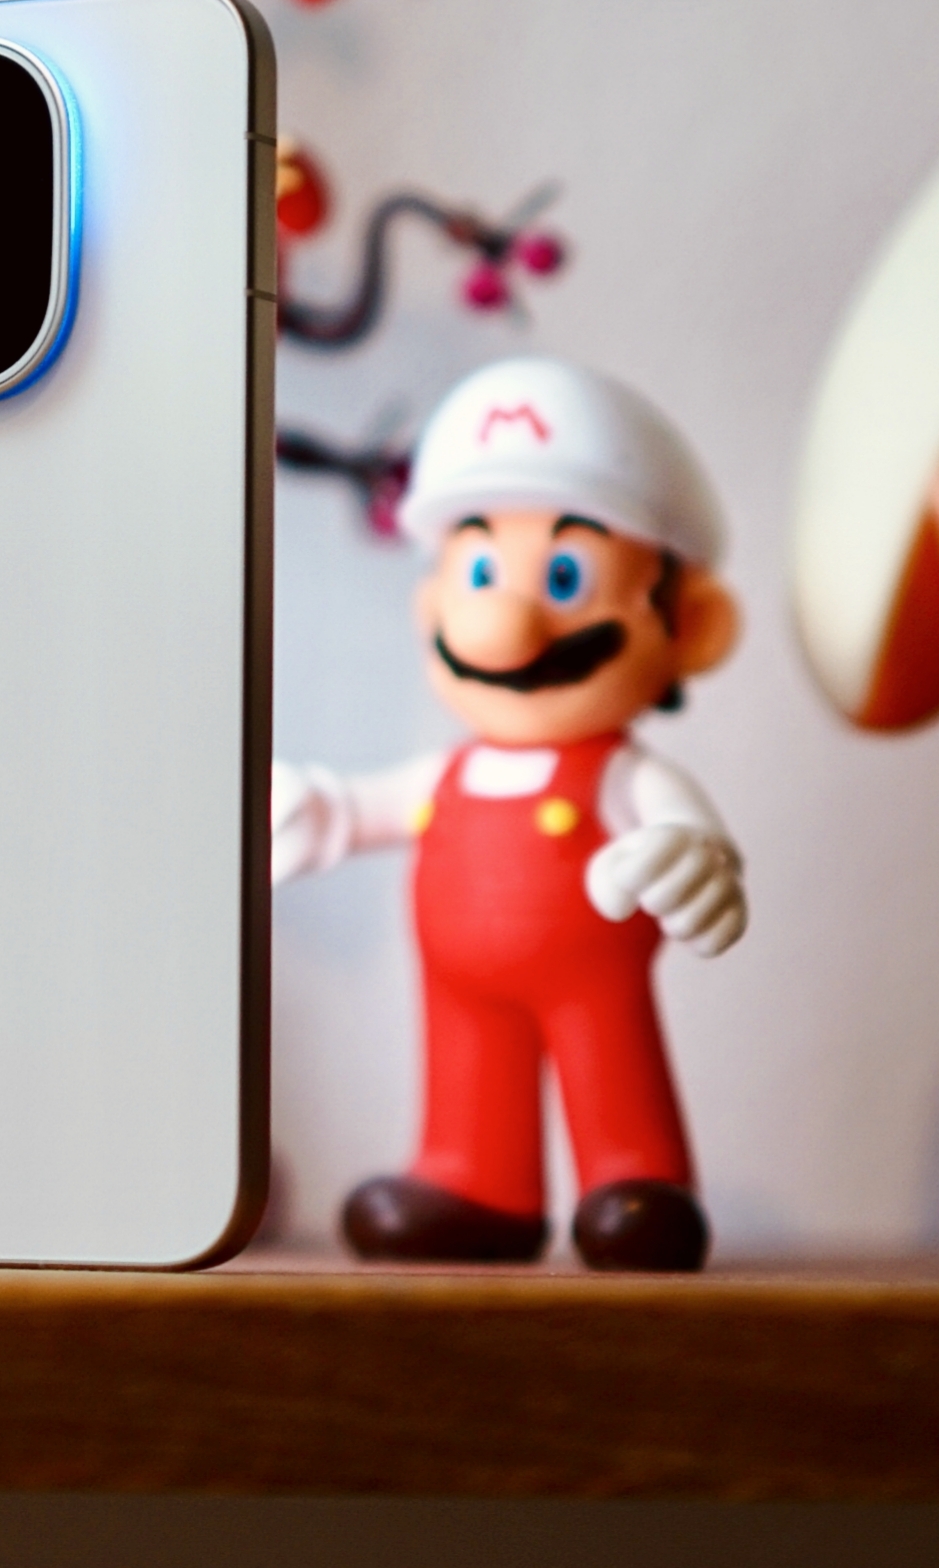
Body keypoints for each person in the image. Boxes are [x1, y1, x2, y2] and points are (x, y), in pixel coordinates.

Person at [273, 357, 746, 1271]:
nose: (504, 627)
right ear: (432, 607)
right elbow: (367, 807)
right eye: (482, 570)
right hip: (459, 984)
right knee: (466, 1067)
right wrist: (315, 809)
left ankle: (635, 1180)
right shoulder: (446, 773)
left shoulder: (620, 774)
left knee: (608, 1053)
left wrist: (692, 854)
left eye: (565, 575)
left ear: (691, 625)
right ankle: (474, 1184)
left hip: (593, 975)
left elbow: (686, 835)